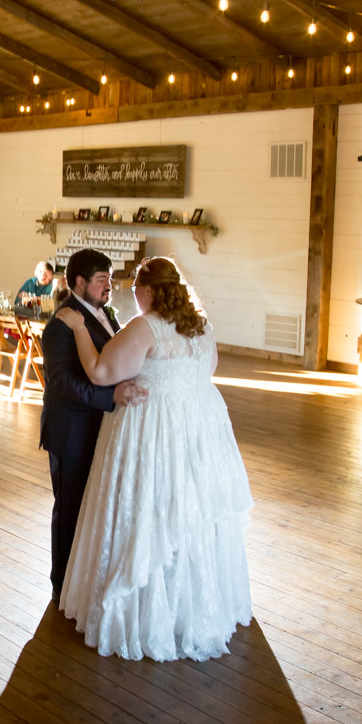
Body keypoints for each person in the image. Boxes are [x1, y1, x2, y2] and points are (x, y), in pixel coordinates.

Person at [53, 256, 252, 661]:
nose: (132, 295)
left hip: (153, 431)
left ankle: (143, 609)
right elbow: (209, 370)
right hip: (198, 432)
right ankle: (192, 606)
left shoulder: (145, 327)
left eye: (134, 289)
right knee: (186, 511)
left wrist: (79, 329)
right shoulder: (201, 326)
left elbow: (100, 372)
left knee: (149, 508)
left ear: (148, 289)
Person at [39, 248, 149, 606]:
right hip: (70, 430)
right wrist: (110, 396)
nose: (109, 286)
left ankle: (85, 579)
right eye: (102, 280)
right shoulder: (60, 326)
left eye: (110, 279)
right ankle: (61, 584)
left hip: (100, 427)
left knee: (95, 505)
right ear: (79, 282)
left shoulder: (107, 315)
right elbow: (60, 383)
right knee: (69, 507)